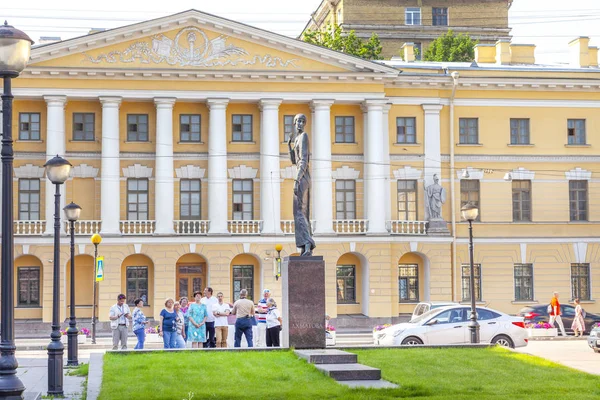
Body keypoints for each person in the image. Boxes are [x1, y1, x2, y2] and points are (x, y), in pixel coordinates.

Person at [287, 113, 316, 256]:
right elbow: (294, 160)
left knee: (300, 212)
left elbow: (303, 160)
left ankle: (308, 243)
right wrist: (289, 146)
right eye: (297, 121)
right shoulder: (297, 139)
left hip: (303, 176)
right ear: (294, 123)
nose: (299, 123)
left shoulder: (304, 136)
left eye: (302, 121)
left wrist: (297, 179)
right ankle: (304, 245)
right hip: (300, 175)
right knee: (297, 212)